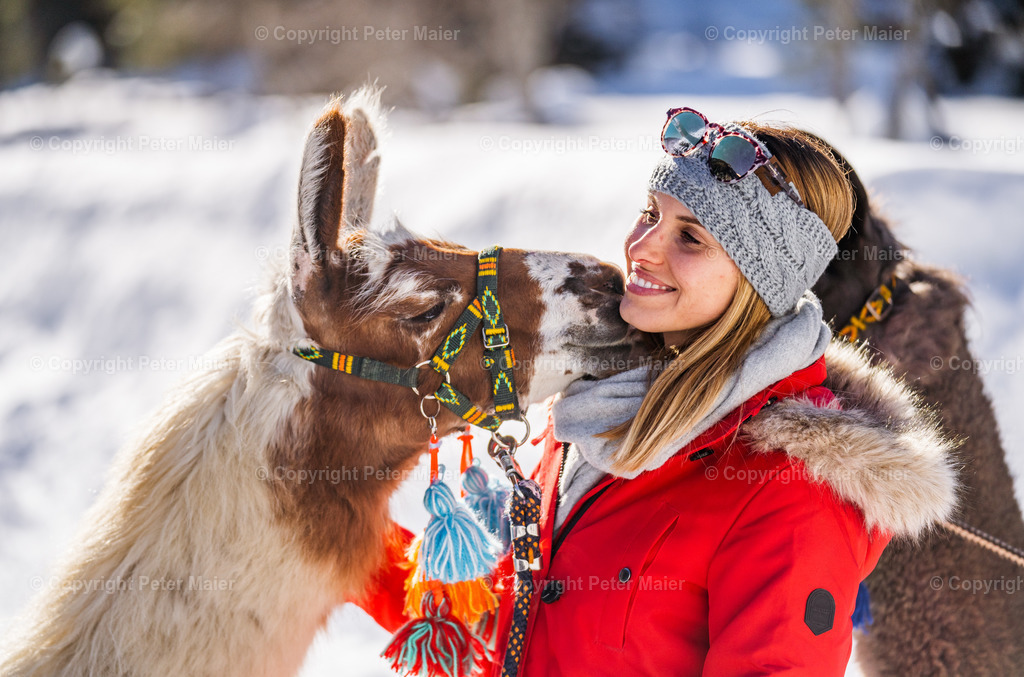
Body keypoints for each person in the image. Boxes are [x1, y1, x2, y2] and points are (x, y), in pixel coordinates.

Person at [356, 108, 958, 676]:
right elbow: (500, 636)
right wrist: (331, 525)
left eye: (691, 238)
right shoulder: (590, 413)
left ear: (759, 280)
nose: (642, 248)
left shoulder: (788, 490)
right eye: (650, 213)